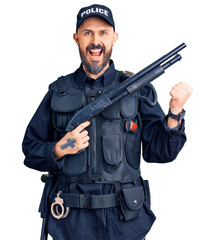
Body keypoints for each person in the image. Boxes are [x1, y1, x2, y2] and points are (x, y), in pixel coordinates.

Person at [22, 4, 193, 240]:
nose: (95, 41)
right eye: (87, 33)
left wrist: (175, 112)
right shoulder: (58, 92)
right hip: (71, 222)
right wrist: (59, 148)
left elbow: (160, 152)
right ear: (76, 38)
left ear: (114, 38)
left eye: (103, 33)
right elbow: (30, 150)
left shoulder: (137, 89)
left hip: (125, 222)